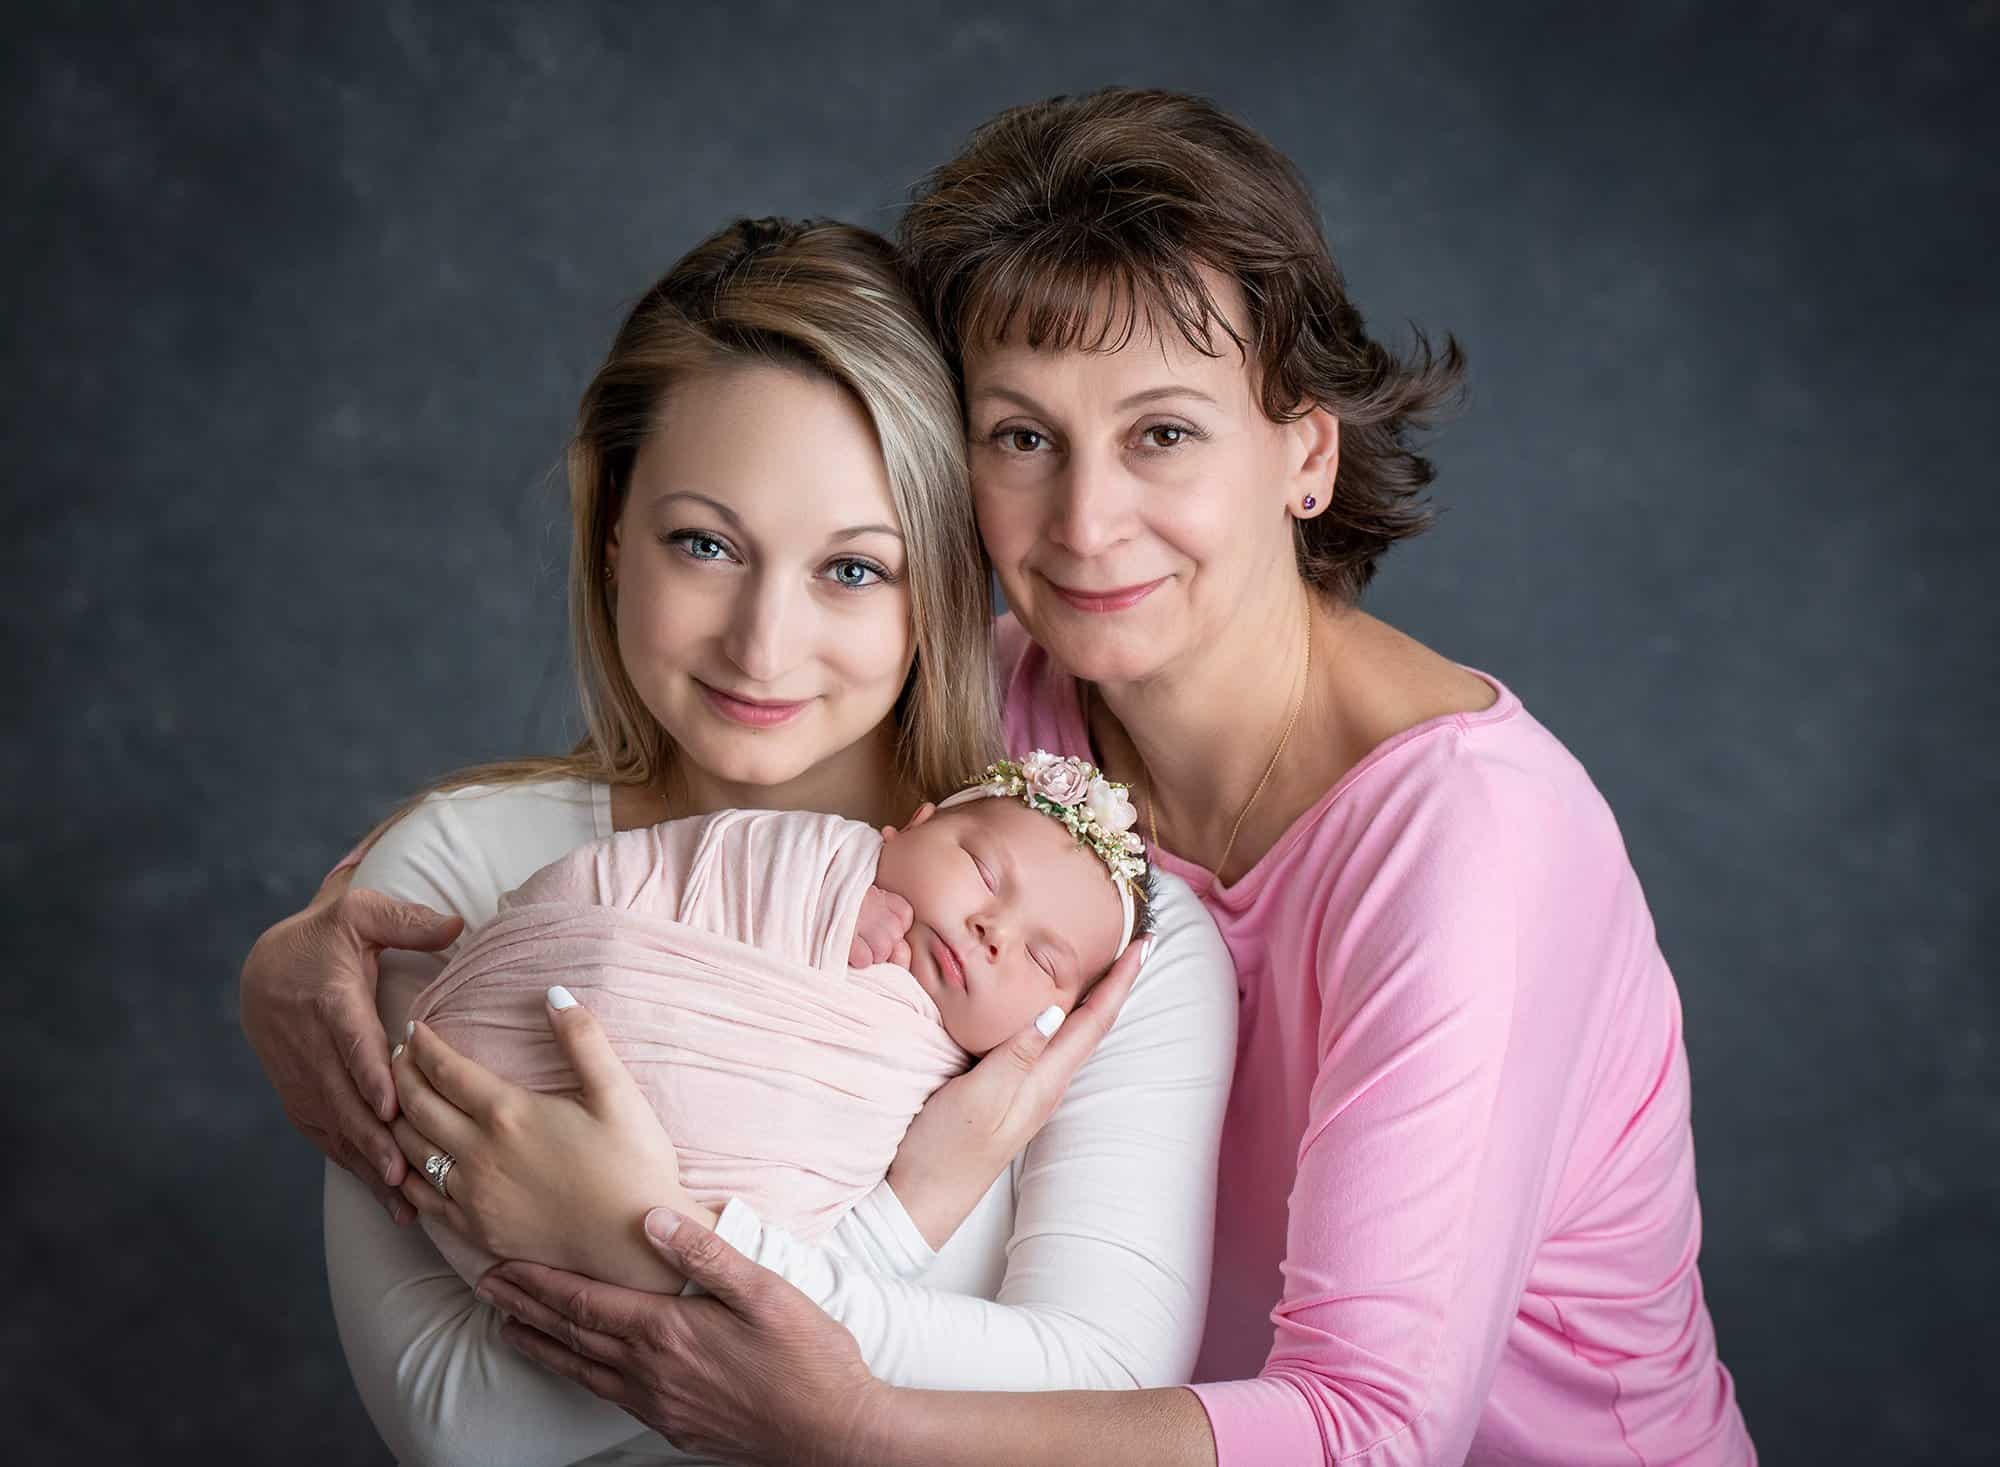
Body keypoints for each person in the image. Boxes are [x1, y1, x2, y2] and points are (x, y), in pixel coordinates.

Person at [437, 89, 1760, 1465]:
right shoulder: (1001, 706)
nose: (1082, 522)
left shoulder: (1474, 844)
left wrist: (851, 1422)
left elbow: (1370, 1428)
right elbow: (687, 819)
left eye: (1163, 433)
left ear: (1308, 449)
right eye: (1021, 435)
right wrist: (307, 961)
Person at [260, 215, 1237, 1465]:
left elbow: (1096, 1396)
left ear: (938, 581)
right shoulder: (451, 876)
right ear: (611, 529)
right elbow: (460, 1428)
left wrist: (634, 1235)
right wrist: (883, 1238)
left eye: (853, 570)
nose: (762, 646)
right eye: (705, 545)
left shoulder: (1083, 938)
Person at [398, 754, 1155, 1290]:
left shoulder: (961, 1099)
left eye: (1044, 959)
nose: (994, 928)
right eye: (986, 872)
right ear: (910, 826)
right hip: (461, 1105)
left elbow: (810, 1277)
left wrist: (651, 1244)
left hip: (657, 1270)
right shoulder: (807, 853)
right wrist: (817, 904)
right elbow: (660, 874)